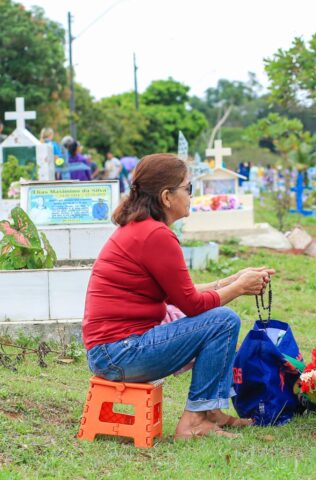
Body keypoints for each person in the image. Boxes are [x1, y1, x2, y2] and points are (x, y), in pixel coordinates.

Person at [82, 153, 274, 439]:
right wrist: (239, 288)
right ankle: (193, 423)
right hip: (119, 354)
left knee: (218, 319)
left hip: (111, 351)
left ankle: (211, 412)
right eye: (188, 188)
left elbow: (179, 295)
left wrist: (231, 280)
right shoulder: (155, 235)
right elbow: (192, 305)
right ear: (167, 197)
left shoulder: (143, 230)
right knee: (223, 320)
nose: (191, 196)